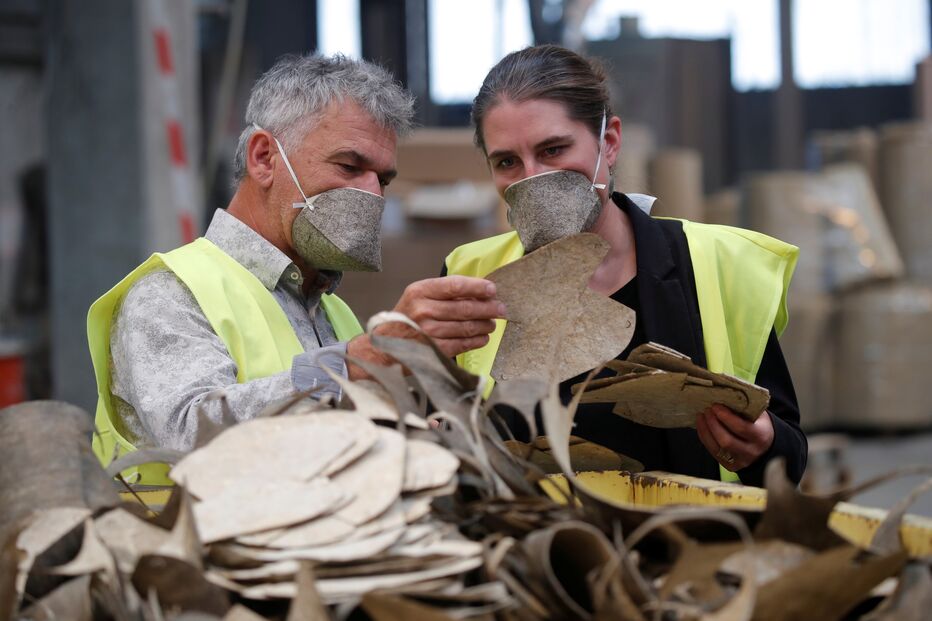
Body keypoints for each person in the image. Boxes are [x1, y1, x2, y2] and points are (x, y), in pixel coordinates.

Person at [88, 54, 503, 484]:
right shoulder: (170, 294)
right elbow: (191, 434)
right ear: (264, 158)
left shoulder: (334, 313)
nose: (372, 194)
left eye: (383, 179)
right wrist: (354, 366)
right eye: (349, 166)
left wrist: (399, 433)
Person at [443, 45, 806, 486]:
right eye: (507, 162)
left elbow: (789, 451)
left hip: (689, 545)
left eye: (554, 149)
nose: (532, 177)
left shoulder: (716, 263)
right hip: (534, 550)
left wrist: (763, 445)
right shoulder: (471, 275)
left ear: (608, 143)